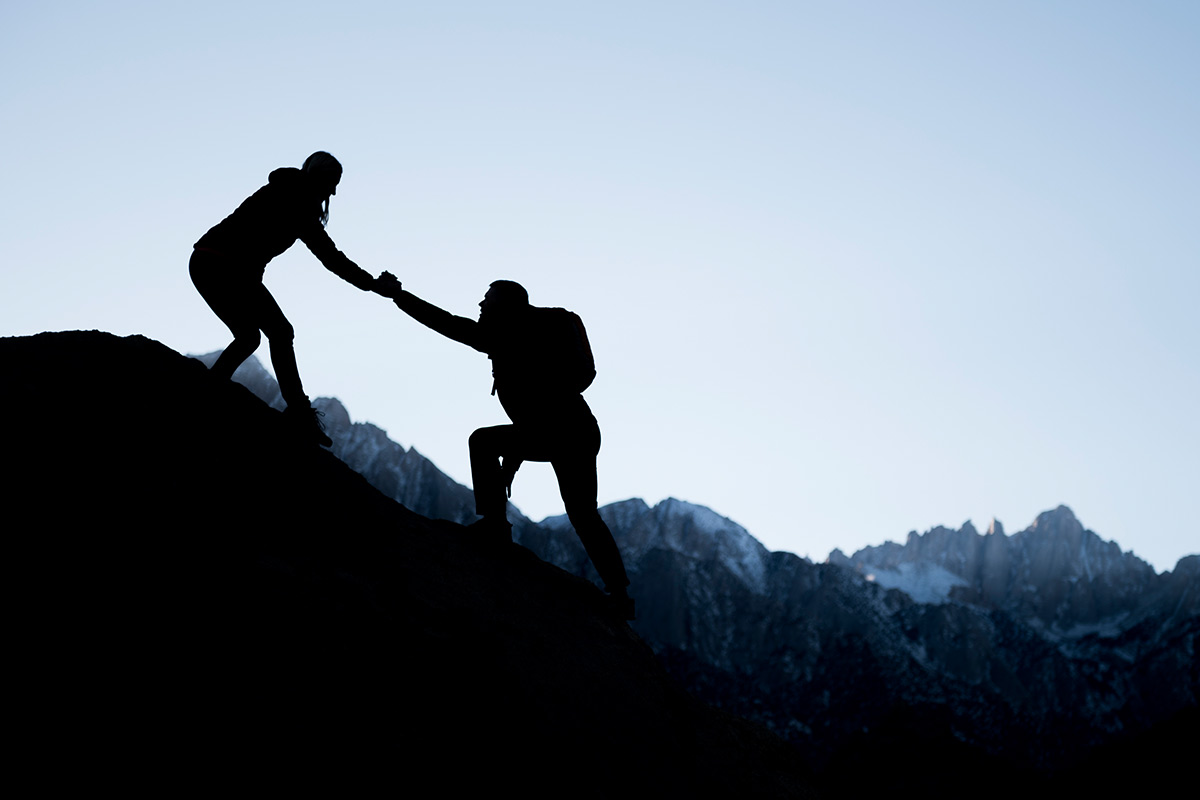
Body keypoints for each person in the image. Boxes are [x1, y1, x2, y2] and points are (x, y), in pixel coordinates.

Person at [375, 274, 634, 619]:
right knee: (582, 513)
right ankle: (619, 594)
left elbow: (448, 324)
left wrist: (399, 296)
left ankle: (497, 530)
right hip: (575, 433)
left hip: (568, 434)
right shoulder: (518, 333)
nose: (481, 305)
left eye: (489, 300)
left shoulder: (519, 332)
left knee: (488, 445)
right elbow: (449, 325)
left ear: (509, 306)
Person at [190, 151, 377, 445]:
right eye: (332, 182)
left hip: (212, 262)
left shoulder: (289, 191)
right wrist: (372, 284)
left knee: (250, 336)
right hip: (223, 265)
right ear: (319, 175)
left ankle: (211, 389)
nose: (334, 191)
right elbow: (332, 259)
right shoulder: (299, 200)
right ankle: (299, 414)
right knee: (278, 331)